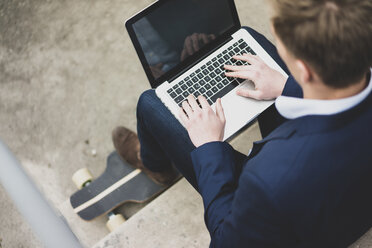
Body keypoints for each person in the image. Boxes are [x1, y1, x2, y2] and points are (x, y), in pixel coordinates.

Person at [113, 0, 372, 247]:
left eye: (281, 40)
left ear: (304, 70)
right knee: (249, 39)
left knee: (150, 103)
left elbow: (225, 240)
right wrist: (287, 86)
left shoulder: (267, 180)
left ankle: (155, 166)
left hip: (316, 224)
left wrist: (209, 147)